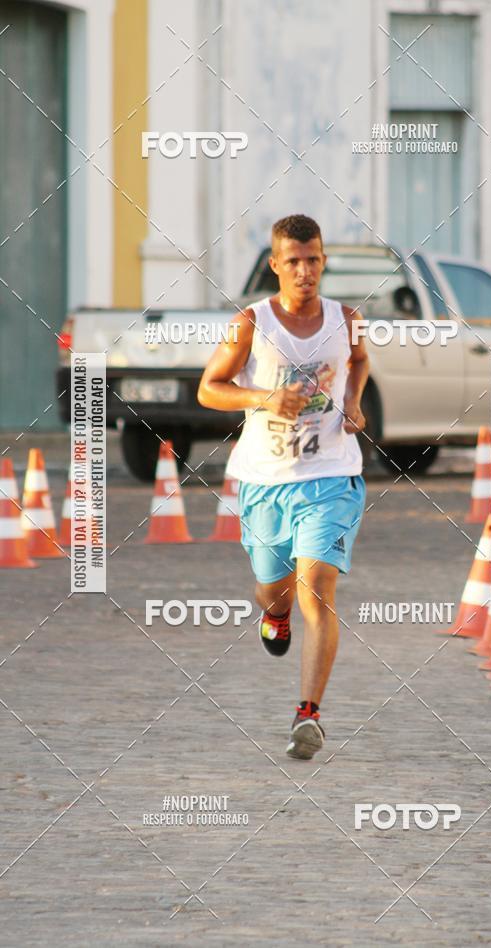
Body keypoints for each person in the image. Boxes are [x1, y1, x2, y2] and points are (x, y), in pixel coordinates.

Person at [198, 214, 369, 759]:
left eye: (313, 259)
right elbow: (209, 388)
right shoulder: (251, 322)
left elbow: (360, 362)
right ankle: (274, 614)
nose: (304, 270)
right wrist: (264, 399)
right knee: (275, 589)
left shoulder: (347, 320)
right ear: (275, 265)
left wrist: (355, 401)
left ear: (323, 261)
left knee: (315, 589)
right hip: (265, 482)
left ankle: (309, 714)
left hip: (332, 477)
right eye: (293, 261)